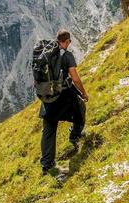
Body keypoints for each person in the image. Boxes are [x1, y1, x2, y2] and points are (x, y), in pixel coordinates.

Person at [39, 29, 89, 175]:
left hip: (47, 96)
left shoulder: (45, 55)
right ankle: (75, 136)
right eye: (69, 41)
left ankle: (47, 165)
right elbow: (75, 78)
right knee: (80, 109)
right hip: (64, 95)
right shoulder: (67, 56)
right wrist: (84, 93)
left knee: (48, 129)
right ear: (66, 41)